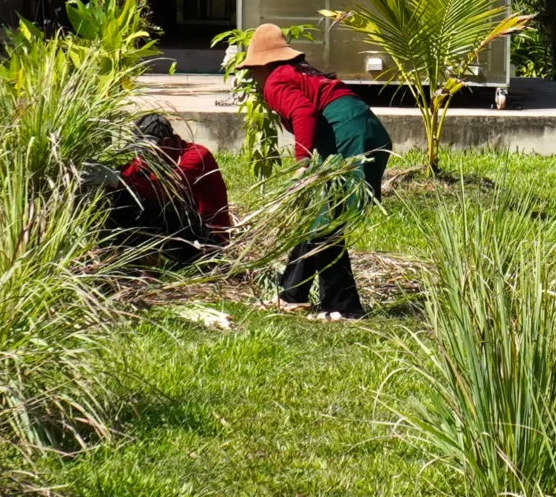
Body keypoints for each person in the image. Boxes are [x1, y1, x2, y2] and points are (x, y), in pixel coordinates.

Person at [241, 22, 391, 319]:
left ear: (263, 64)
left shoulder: (275, 80)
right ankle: (294, 294)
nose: (252, 77)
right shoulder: (299, 71)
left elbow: (303, 112)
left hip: (350, 137)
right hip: (361, 130)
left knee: (326, 221)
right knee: (320, 218)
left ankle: (342, 307)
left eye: (252, 69)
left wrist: (302, 163)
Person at [101, 114, 232, 265]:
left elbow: (166, 189)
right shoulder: (148, 160)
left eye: (149, 149)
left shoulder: (196, 157)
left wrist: (118, 181)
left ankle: (148, 267)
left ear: (167, 142)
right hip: (181, 236)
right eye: (140, 150)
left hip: (207, 241)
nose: (144, 155)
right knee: (123, 198)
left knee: (154, 206)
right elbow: (126, 178)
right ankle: (125, 260)